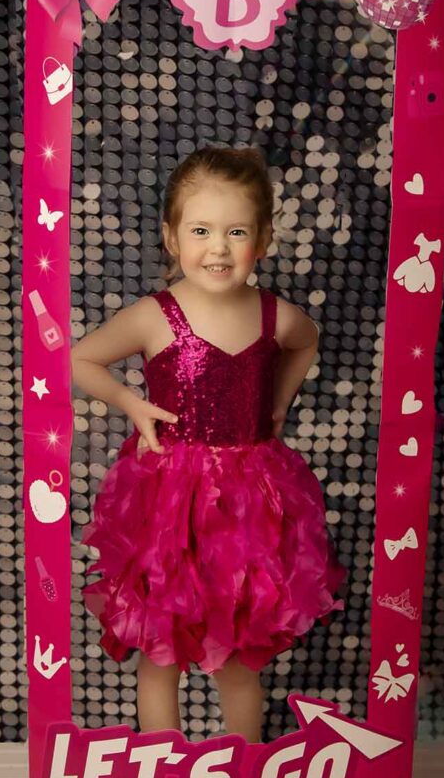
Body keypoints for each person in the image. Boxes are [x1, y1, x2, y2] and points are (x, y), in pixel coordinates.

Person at [71, 145, 347, 744]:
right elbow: (82, 359)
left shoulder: (276, 316)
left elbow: (307, 341)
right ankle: (166, 771)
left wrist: (278, 403)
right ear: (172, 237)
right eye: (201, 230)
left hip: (249, 504)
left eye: (236, 232)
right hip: (169, 501)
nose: (218, 248)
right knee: (161, 655)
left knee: (239, 656)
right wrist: (131, 403)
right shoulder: (154, 315)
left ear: (263, 240)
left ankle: (244, 771)